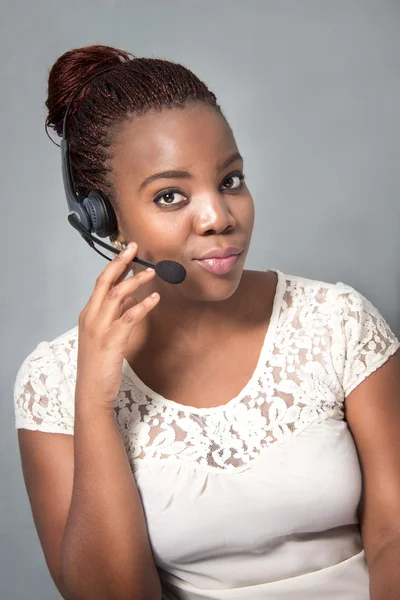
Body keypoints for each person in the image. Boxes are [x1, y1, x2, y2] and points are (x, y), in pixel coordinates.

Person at [13, 44, 400, 600]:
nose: (219, 217)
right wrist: (94, 404)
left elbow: (392, 534)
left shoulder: (340, 322)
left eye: (231, 180)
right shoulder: (52, 381)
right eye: (170, 195)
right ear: (102, 216)